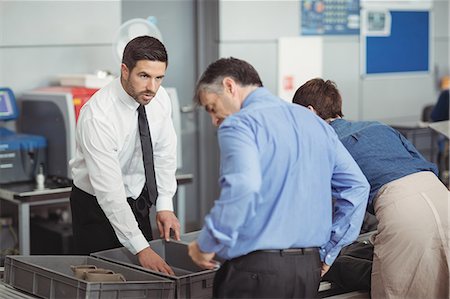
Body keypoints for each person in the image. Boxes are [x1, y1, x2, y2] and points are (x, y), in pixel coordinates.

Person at [188, 57, 370, 298]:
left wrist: (207, 244)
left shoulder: (241, 123)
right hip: (307, 271)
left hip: (255, 272)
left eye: (212, 107)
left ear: (229, 86)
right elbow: (357, 187)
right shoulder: (316, 124)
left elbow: (243, 186)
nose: (215, 120)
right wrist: (328, 252)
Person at [292, 78, 450, 299]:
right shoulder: (378, 126)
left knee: (399, 288)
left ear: (309, 112)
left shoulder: (323, 141)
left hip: (403, 210)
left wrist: (323, 256)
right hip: (442, 197)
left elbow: (321, 204)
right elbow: (424, 165)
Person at [70, 36, 180, 275]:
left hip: (138, 200)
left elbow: (164, 153)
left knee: (143, 280)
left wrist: (164, 204)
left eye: (159, 77)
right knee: (102, 281)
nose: (152, 87)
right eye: (144, 76)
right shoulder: (98, 116)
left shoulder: (159, 99)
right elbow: (110, 193)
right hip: (96, 208)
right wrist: (141, 248)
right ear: (124, 70)